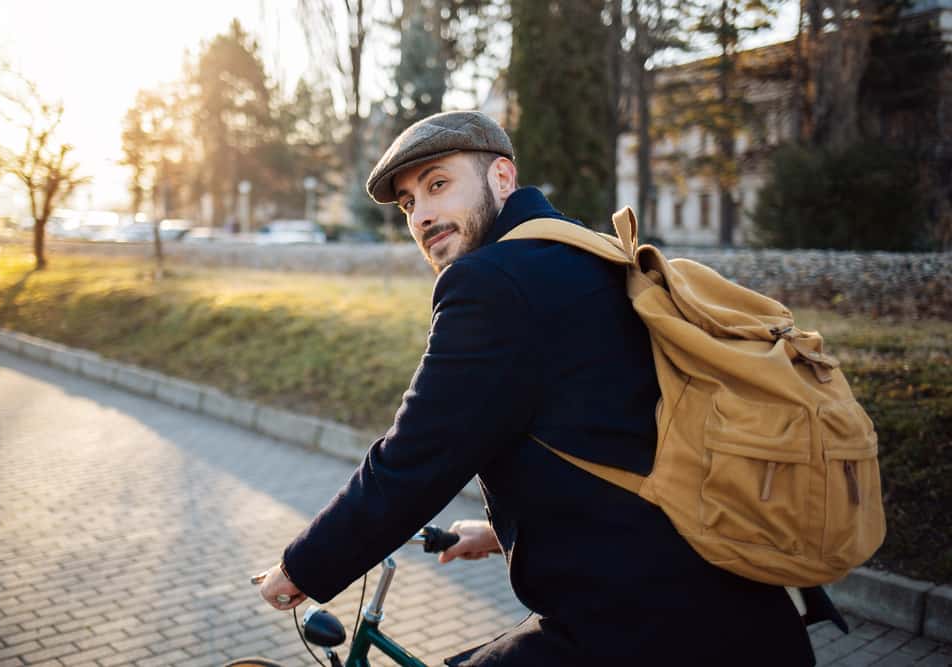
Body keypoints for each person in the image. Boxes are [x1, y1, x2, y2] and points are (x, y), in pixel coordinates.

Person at [257, 111, 843, 665]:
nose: (423, 215)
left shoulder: (490, 283)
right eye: (410, 202)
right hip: (738, 604)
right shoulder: (584, 252)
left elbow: (415, 456)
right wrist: (498, 532)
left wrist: (303, 567)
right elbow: (617, 426)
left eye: (439, 184)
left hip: (646, 627)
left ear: (502, 177)